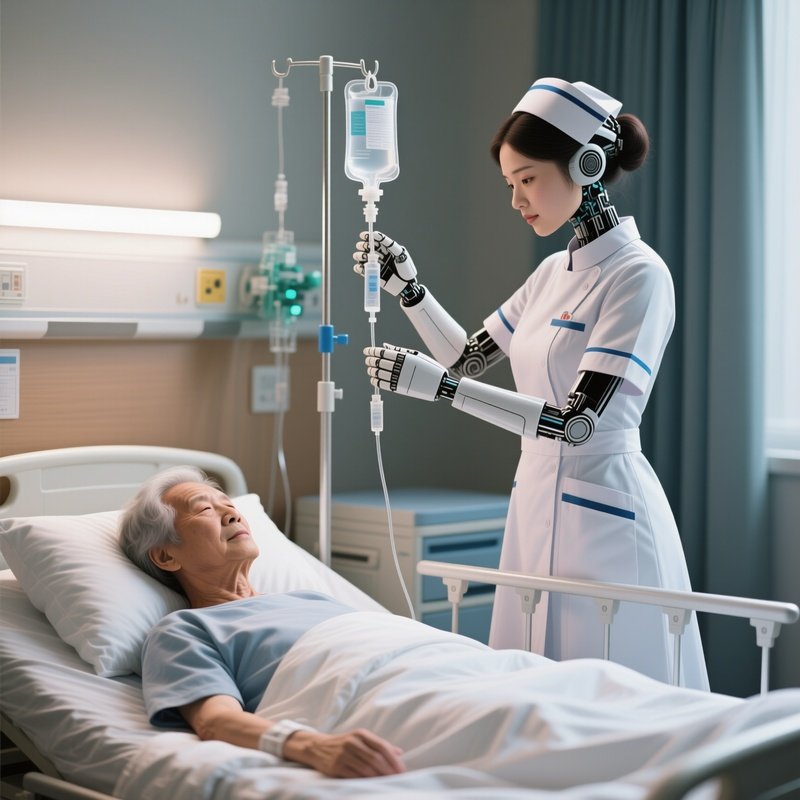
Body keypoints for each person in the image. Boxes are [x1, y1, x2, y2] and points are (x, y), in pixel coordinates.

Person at [354, 77, 709, 689]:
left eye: (527, 179)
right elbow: (466, 359)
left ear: (586, 165)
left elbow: (576, 424)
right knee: (530, 687)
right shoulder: (550, 273)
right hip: (535, 500)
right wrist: (408, 289)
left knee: (614, 693)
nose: (517, 200)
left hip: (605, 510)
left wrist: (439, 390)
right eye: (509, 185)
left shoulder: (639, 275)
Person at [118, 466, 406, 779]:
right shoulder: (185, 630)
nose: (231, 515)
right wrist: (315, 746)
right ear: (166, 557)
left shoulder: (312, 599)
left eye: (229, 504)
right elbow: (214, 721)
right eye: (204, 509)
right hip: (381, 704)